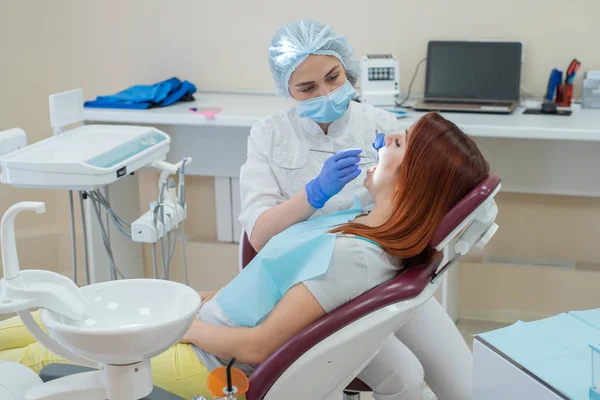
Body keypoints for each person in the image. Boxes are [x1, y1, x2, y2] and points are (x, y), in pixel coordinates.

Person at [0, 112, 488, 400]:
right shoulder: (359, 216)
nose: (383, 139)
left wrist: (177, 324)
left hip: (206, 360)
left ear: (410, 182)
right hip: (199, 325)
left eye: (397, 142)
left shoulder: (357, 258)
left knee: (37, 349)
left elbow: (257, 348)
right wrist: (189, 301)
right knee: (46, 310)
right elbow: (257, 289)